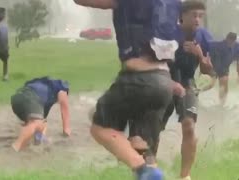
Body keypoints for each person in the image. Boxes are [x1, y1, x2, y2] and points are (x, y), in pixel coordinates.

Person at [75, 0, 183, 179]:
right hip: (164, 82)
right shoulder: (172, 3)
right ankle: (146, 166)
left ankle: (145, 170)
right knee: (140, 146)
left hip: (138, 79)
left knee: (100, 127)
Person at [161, 1, 214, 180]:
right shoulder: (168, 33)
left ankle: (185, 176)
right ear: (181, 17)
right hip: (164, 82)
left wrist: (199, 55)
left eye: (201, 16)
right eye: (194, 15)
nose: (197, 20)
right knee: (153, 129)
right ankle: (147, 168)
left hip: (188, 84)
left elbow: (209, 71)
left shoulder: (204, 37)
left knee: (189, 126)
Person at [11, 77, 71, 152]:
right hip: (30, 97)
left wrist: (42, 137)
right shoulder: (61, 87)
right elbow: (65, 107)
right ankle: (15, 147)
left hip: (17, 99)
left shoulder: (45, 92)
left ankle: (35, 142)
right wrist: (66, 132)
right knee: (36, 123)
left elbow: (42, 122)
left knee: (39, 123)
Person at [200, 32, 238, 106]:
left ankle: (222, 104)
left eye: (233, 41)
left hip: (225, 68)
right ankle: (197, 92)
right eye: (230, 41)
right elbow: (208, 56)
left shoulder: (236, 46)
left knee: (224, 85)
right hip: (213, 67)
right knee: (210, 85)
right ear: (227, 39)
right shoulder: (217, 45)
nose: (231, 43)